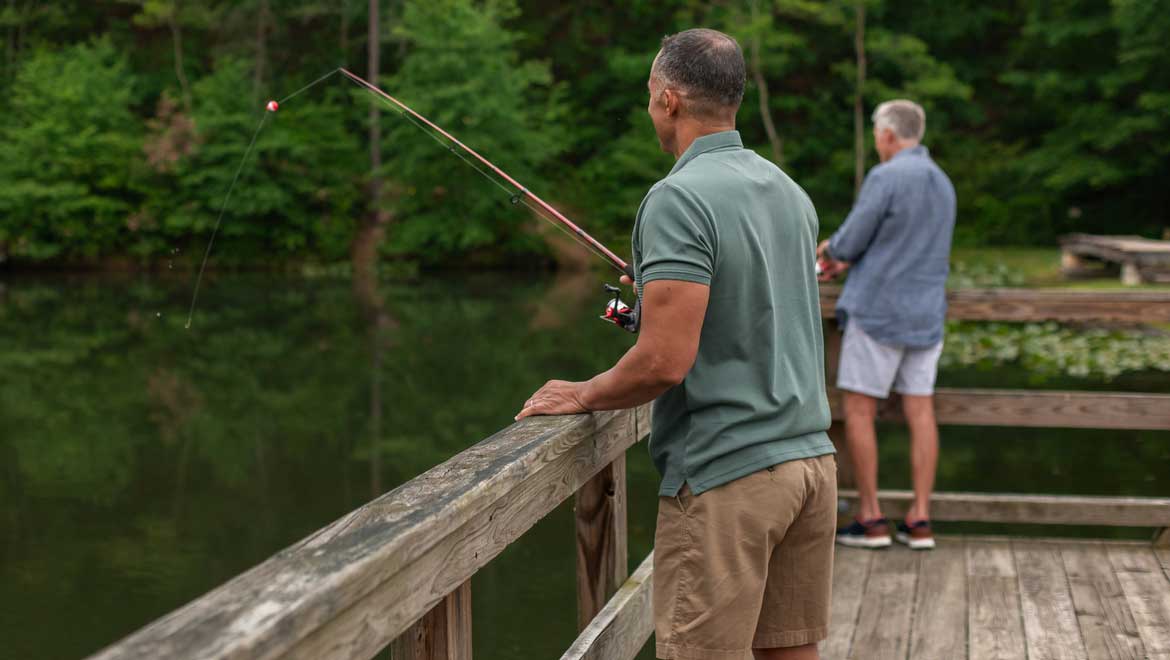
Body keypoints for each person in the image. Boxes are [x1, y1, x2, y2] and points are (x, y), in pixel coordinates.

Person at [517, 28, 835, 660]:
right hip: (810, 467)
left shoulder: (678, 199)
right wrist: (662, 286)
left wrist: (583, 393)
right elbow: (747, 312)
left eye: (648, 96)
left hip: (728, 475)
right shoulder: (788, 193)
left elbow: (664, 361)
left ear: (667, 99)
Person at [817, 99, 956, 551]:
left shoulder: (887, 176)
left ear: (890, 135)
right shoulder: (942, 181)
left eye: (878, 134)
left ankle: (871, 517)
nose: (877, 142)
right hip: (927, 314)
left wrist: (831, 251)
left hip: (879, 311)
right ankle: (920, 519)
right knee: (921, 412)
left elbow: (854, 238)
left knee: (859, 411)